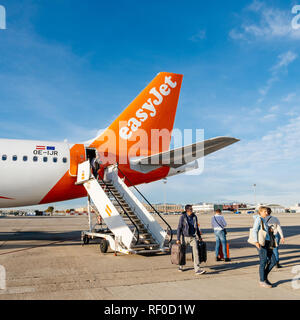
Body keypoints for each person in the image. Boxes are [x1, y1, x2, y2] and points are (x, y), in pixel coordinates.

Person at [176, 204, 206, 275]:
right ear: (187, 210)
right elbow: (179, 228)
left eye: (192, 209)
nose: (192, 210)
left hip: (193, 237)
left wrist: (199, 237)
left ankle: (197, 269)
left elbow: (197, 228)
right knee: (182, 252)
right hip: (184, 237)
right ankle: (181, 266)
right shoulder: (183, 217)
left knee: (196, 253)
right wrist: (178, 238)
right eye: (190, 209)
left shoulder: (194, 217)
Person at [252, 206, 277, 288]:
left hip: (267, 243)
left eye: (267, 211)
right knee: (263, 262)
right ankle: (262, 281)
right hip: (261, 243)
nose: (267, 213)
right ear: (260, 212)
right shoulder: (258, 219)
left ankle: (264, 277)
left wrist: (269, 229)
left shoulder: (264, 220)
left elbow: (263, 230)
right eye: (265, 212)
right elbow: (255, 230)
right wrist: (256, 242)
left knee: (273, 260)